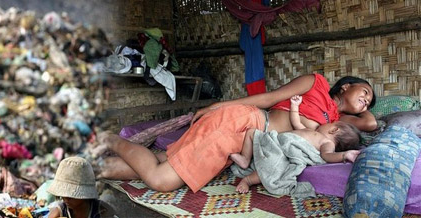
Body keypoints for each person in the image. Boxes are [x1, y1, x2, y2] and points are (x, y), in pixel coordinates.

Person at [97, 74, 376, 193]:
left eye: (369, 100)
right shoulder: (315, 83)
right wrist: (220, 105)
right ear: (345, 85)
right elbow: (269, 98)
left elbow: (372, 123)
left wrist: (364, 105)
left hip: (246, 136)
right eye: (364, 92)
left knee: (162, 160)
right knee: (162, 180)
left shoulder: (337, 121)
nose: (366, 101)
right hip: (244, 122)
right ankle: (108, 139)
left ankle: (98, 168)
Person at [230, 94, 361, 193]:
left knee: (271, 167)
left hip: (284, 153)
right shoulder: (312, 132)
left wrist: (345, 155)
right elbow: (296, 123)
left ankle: (247, 181)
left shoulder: (327, 143)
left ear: (334, 129)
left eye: (330, 124)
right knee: (252, 132)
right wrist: (295, 106)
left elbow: (327, 156)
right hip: (276, 141)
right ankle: (245, 159)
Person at [47, 156, 116, 218]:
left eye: (71, 195)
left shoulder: (102, 211)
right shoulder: (61, 210)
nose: (66, 199)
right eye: (63, 194)